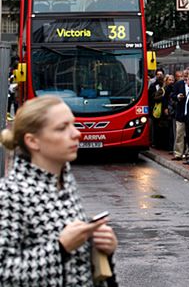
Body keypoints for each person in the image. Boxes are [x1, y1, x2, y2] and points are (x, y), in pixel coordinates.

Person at [0, 95, 118, 286]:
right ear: (33, 141)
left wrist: (102, 249)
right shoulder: (10, 195)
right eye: (62, 128)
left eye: (72, 124)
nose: (77, 133)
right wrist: (60, 247)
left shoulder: (64, 183)